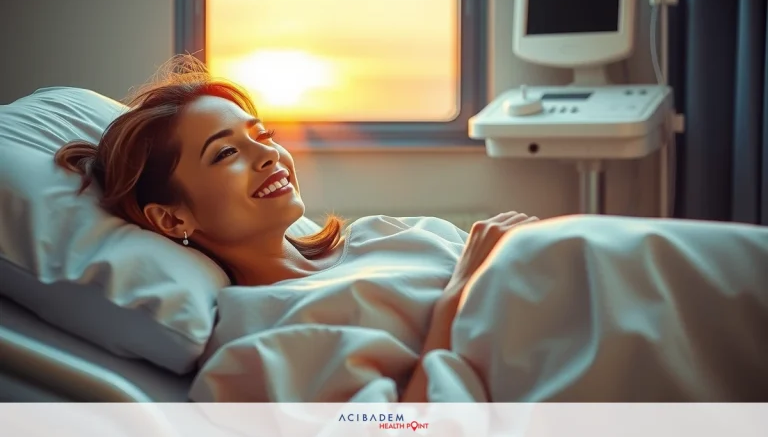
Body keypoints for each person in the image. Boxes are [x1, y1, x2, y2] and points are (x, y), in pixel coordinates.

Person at [54, 55, 540, 402]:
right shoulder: (254, 344)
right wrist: (461, 290)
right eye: (226, 153)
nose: (268, 154)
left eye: (261, 135)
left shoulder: (380, 232)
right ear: (173, 217)